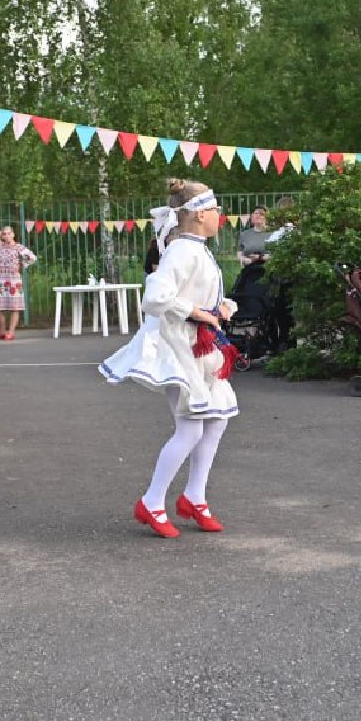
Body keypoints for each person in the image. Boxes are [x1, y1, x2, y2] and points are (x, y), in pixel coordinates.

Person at [100, 179, 237, 538]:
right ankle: (152, 501)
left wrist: (217, 308)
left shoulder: (197, 248)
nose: (219, 215)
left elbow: (197, 294)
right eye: (215, 209)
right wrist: (196, 311)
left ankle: (194, 496)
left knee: (215, 420)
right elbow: (155, 298)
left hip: (199, 345)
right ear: (198, 214)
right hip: (176, 345)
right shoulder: (181, 250)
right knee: (191, 425)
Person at [0, 225, 37, 340]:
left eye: (9, 233)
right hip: (1, 279)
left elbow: (32, 258)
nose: (6, 236)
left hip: (14, 280)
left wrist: (22, 264)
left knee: (15, 307)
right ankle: (3, 331)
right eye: (4, 234)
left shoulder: (19, 247)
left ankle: (11, 332)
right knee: (0, 307)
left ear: (13, 234)